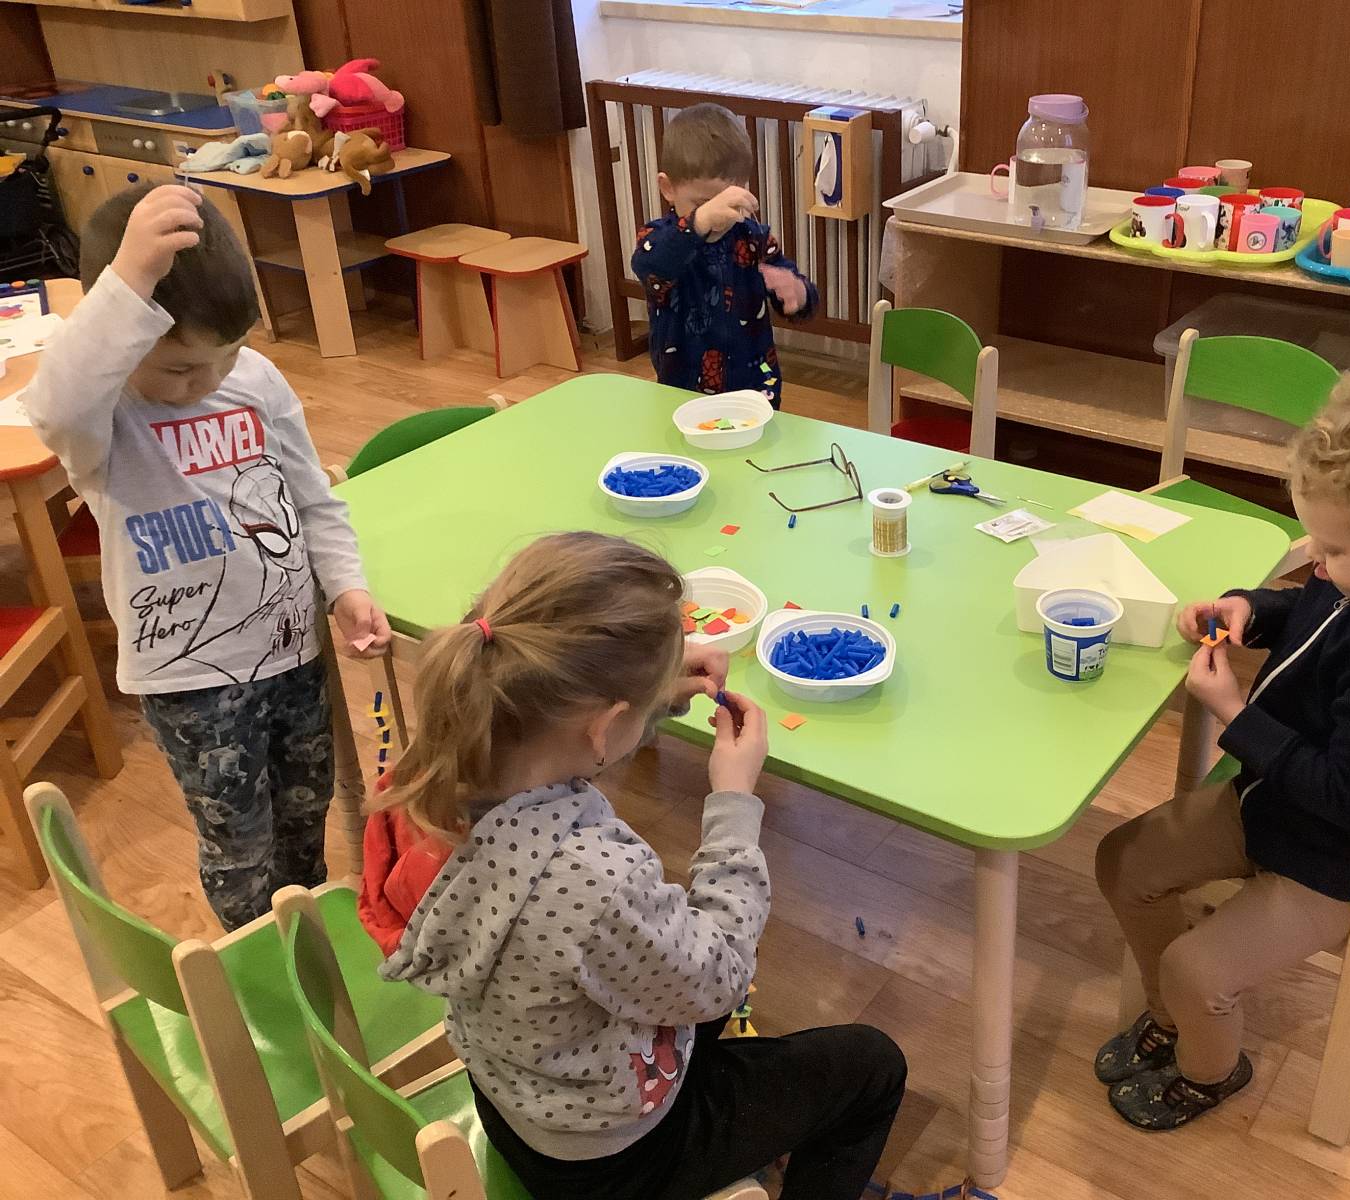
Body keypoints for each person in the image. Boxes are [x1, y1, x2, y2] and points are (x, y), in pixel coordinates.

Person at [376, 532, 906, 1200]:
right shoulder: (594, 879)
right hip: (614, 1159)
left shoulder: (441, 773)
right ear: (603, 726)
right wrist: (733, 800)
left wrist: (651, 696)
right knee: (871, 1066)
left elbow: (574, 748)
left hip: (515, 1096)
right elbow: (723, 977)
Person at [1092, 358, 1350, 1130]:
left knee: (1197, 969)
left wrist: (1234, 713)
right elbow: (1318, 608)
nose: (1316, 563)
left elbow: (1346, 797)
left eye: (1333, 550)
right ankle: (1171, 1014)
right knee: (1124, 861)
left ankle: (1209, 1072)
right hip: (1271, 800)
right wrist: (1251, 610)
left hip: (1333, 858)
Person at [22, 183, 390, 930]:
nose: (208, 382)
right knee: (239, 844)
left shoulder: (256, 381)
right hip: (191, 681)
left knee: (305, 809)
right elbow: (55, 403)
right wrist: (129, 277)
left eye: (226, 356)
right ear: (125, 337)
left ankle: (305, 937)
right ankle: (256, 958)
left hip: (293, 650)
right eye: (180, 369)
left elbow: (313, 498)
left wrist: (346, 586)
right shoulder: (104, 420)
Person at [632, 103, 817, 408]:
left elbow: (796, 298)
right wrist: (699, 221)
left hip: (755, 392)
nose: (718, 217)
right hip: (683, 393)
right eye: (704, 204)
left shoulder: (754, 238)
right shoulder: (658, 238)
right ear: (668, 188)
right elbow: (650, 266)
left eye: (727, 202)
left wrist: (798, 292)